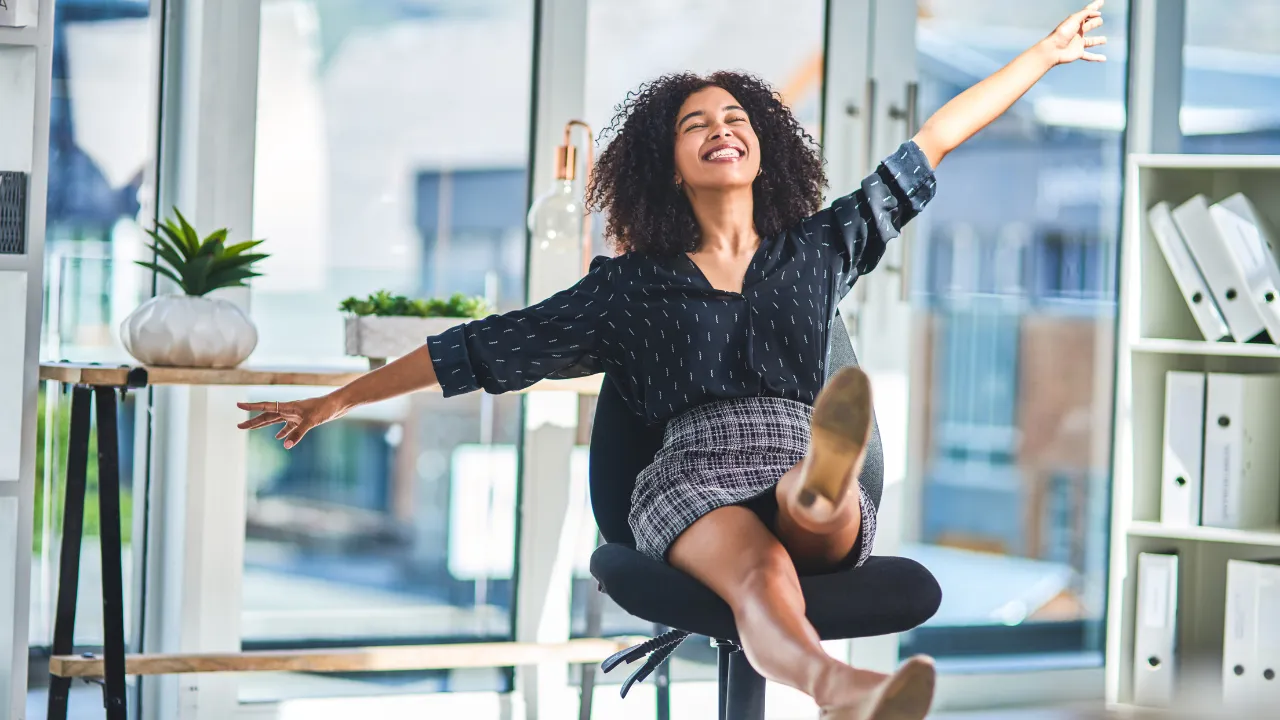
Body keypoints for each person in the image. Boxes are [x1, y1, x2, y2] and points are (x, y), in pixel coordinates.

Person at [238, 4, 1106, 717]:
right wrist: (340, 399)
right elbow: (481, 347)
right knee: (762, 572)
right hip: (691, 475)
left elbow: (934, 143)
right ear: (671, 164)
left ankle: (819, 479)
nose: (721, 128)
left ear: (765, 143)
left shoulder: (818, 248)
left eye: (736, 117)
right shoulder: (629, 287)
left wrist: (1042, 54)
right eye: (697, 124)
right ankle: (842, 685)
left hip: (790, 450)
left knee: (815, 513)